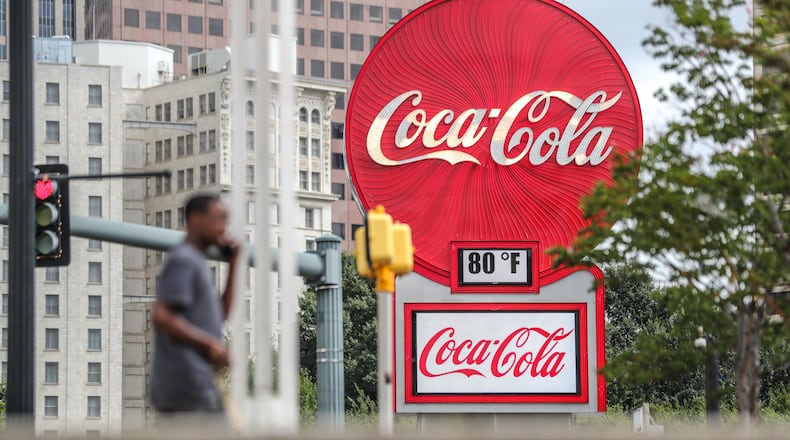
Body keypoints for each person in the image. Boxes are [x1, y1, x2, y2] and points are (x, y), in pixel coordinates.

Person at [150, 193, 239, 420]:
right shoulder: (184, 259)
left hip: (197, 383)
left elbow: (221, 315)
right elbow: (162, 315)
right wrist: (211, 346)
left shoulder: (196, 261)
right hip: (187, 386)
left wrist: (234, 263)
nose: (224, 227)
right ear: (195, 219)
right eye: (219, 219)